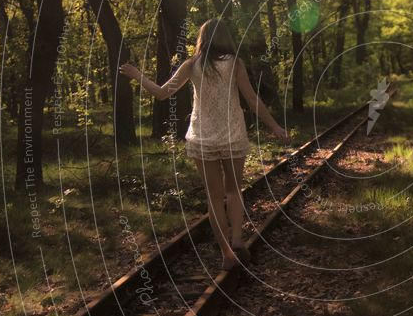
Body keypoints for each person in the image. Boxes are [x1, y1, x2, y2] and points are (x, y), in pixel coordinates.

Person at [120, 18, 290, 270]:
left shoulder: (192, 65)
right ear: (226, 38)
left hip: (203, 138)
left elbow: (162, 93)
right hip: (232, 135)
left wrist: (137, 76)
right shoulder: (235, 64)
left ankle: (226, 254)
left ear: (202, 39)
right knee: (233, 191)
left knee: (214, 197)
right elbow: (252, 99)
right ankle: (237, 238)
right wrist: (274, 126)